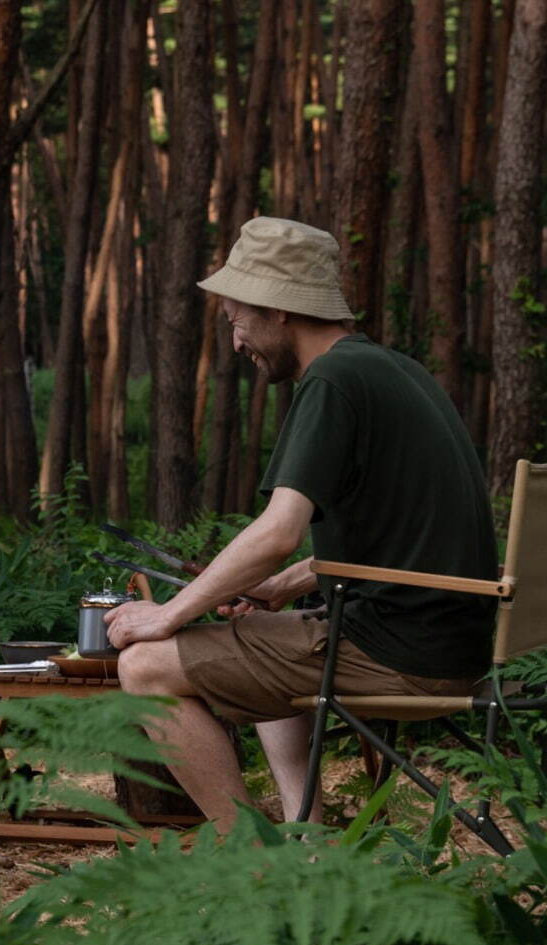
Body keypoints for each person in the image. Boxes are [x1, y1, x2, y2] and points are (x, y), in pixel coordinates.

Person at [103, 217, 497, 831]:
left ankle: (251, 857)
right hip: (452, 641)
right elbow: (401, 534)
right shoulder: (393, 371)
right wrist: (275, 588)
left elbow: (280, 529)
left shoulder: (332, 382)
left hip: (399, 654)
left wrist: (169, 613)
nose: (236, 343)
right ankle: (304, 829)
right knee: (265, 631)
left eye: (237, 320)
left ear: (279, 310)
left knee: (144, 668)